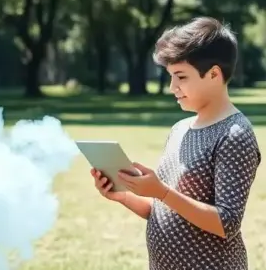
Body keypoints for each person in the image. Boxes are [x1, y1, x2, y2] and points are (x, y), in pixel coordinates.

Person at [91, 17, 260, 270]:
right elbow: (164, 209)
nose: (172, 87)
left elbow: (227, 222)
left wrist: (162, 191)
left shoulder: (234, 135)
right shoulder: (179, 129)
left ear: (214, 74)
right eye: (171, 76)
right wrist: (123, 196)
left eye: (181, 76)